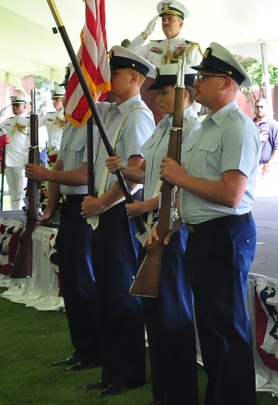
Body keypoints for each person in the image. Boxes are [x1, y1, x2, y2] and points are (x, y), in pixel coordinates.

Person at [159, 43, 260, 405]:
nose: (196, 83)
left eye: (204, 78)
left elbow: (231, 194)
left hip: (225, 235)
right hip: (200, 235)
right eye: (197, 76)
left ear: (227, 84)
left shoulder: (237, 128)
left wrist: (181, 178)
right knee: (212, 327)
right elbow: (200, 186)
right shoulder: (204, 127)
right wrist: (175, 219)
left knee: (226, 328)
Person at [105, 63, 200, 405]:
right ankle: (164, 392)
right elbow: (146, 172)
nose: (156, 97)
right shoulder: (163, 128)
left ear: (184, 94)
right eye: (157, 92)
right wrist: (122, 168)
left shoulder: (192, 130)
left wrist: (149, 210)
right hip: (153, 229)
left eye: (163, 92)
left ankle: (180, 393)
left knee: (173, 313)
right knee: (156, 315)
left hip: (172, 229)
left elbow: (181, 185)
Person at [80, 45, 156, 396]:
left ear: (134, 78)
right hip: (104, 215)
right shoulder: (111, 112)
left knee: (121, 294)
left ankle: (126, 372)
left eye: (113, 72)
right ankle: (112, 369)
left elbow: (137, 175)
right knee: (107, 294)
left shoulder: (137, 115)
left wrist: (100, 204)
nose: (106, 78)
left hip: (118, 215)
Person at [27, 120, 101, 374]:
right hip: (70, 206)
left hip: (87, 202)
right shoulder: (72, 126)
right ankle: (82, 348)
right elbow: (60, 165)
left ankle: (95, 350)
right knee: (69, 280)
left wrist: (45, 175)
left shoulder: (93, 125)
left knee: (83, 280)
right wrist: (49, 208)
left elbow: (85, 174)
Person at [0, 91, 45, 210]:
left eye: (18, 106)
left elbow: (39, 125)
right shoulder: (8, 121)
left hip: (21, 160)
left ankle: (21, 213)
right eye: (13, 106)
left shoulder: (29, 121)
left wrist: (39, 111)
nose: (15, 108)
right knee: (13, 191)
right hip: (8, 160)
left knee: (20, 191)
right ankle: (15, 212)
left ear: (24, 106)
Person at [127, 0, 203, 69]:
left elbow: (193, 78)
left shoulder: (191, 49)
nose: (165, 23)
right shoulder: (152, 46)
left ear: (180, 24)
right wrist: (145, 33)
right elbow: (128, 55)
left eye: (170, 19)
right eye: (163, 20)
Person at [252, 99, 278, 179]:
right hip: (250, 167)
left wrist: (270, 163)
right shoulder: (249, 125)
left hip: (266, 166)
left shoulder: (274, 126)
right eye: (257, 107)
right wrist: (257, 138)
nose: (259, 109)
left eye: (262, 107)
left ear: (268, 109)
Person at [42, 84, 66, 163]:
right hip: (50, 152)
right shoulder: (49, 116)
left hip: (63, 153)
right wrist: (38, 111)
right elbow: (33, 124)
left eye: (56, 99)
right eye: (53, 99)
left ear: (63, 99)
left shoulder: (69, 116)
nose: (54, 102)